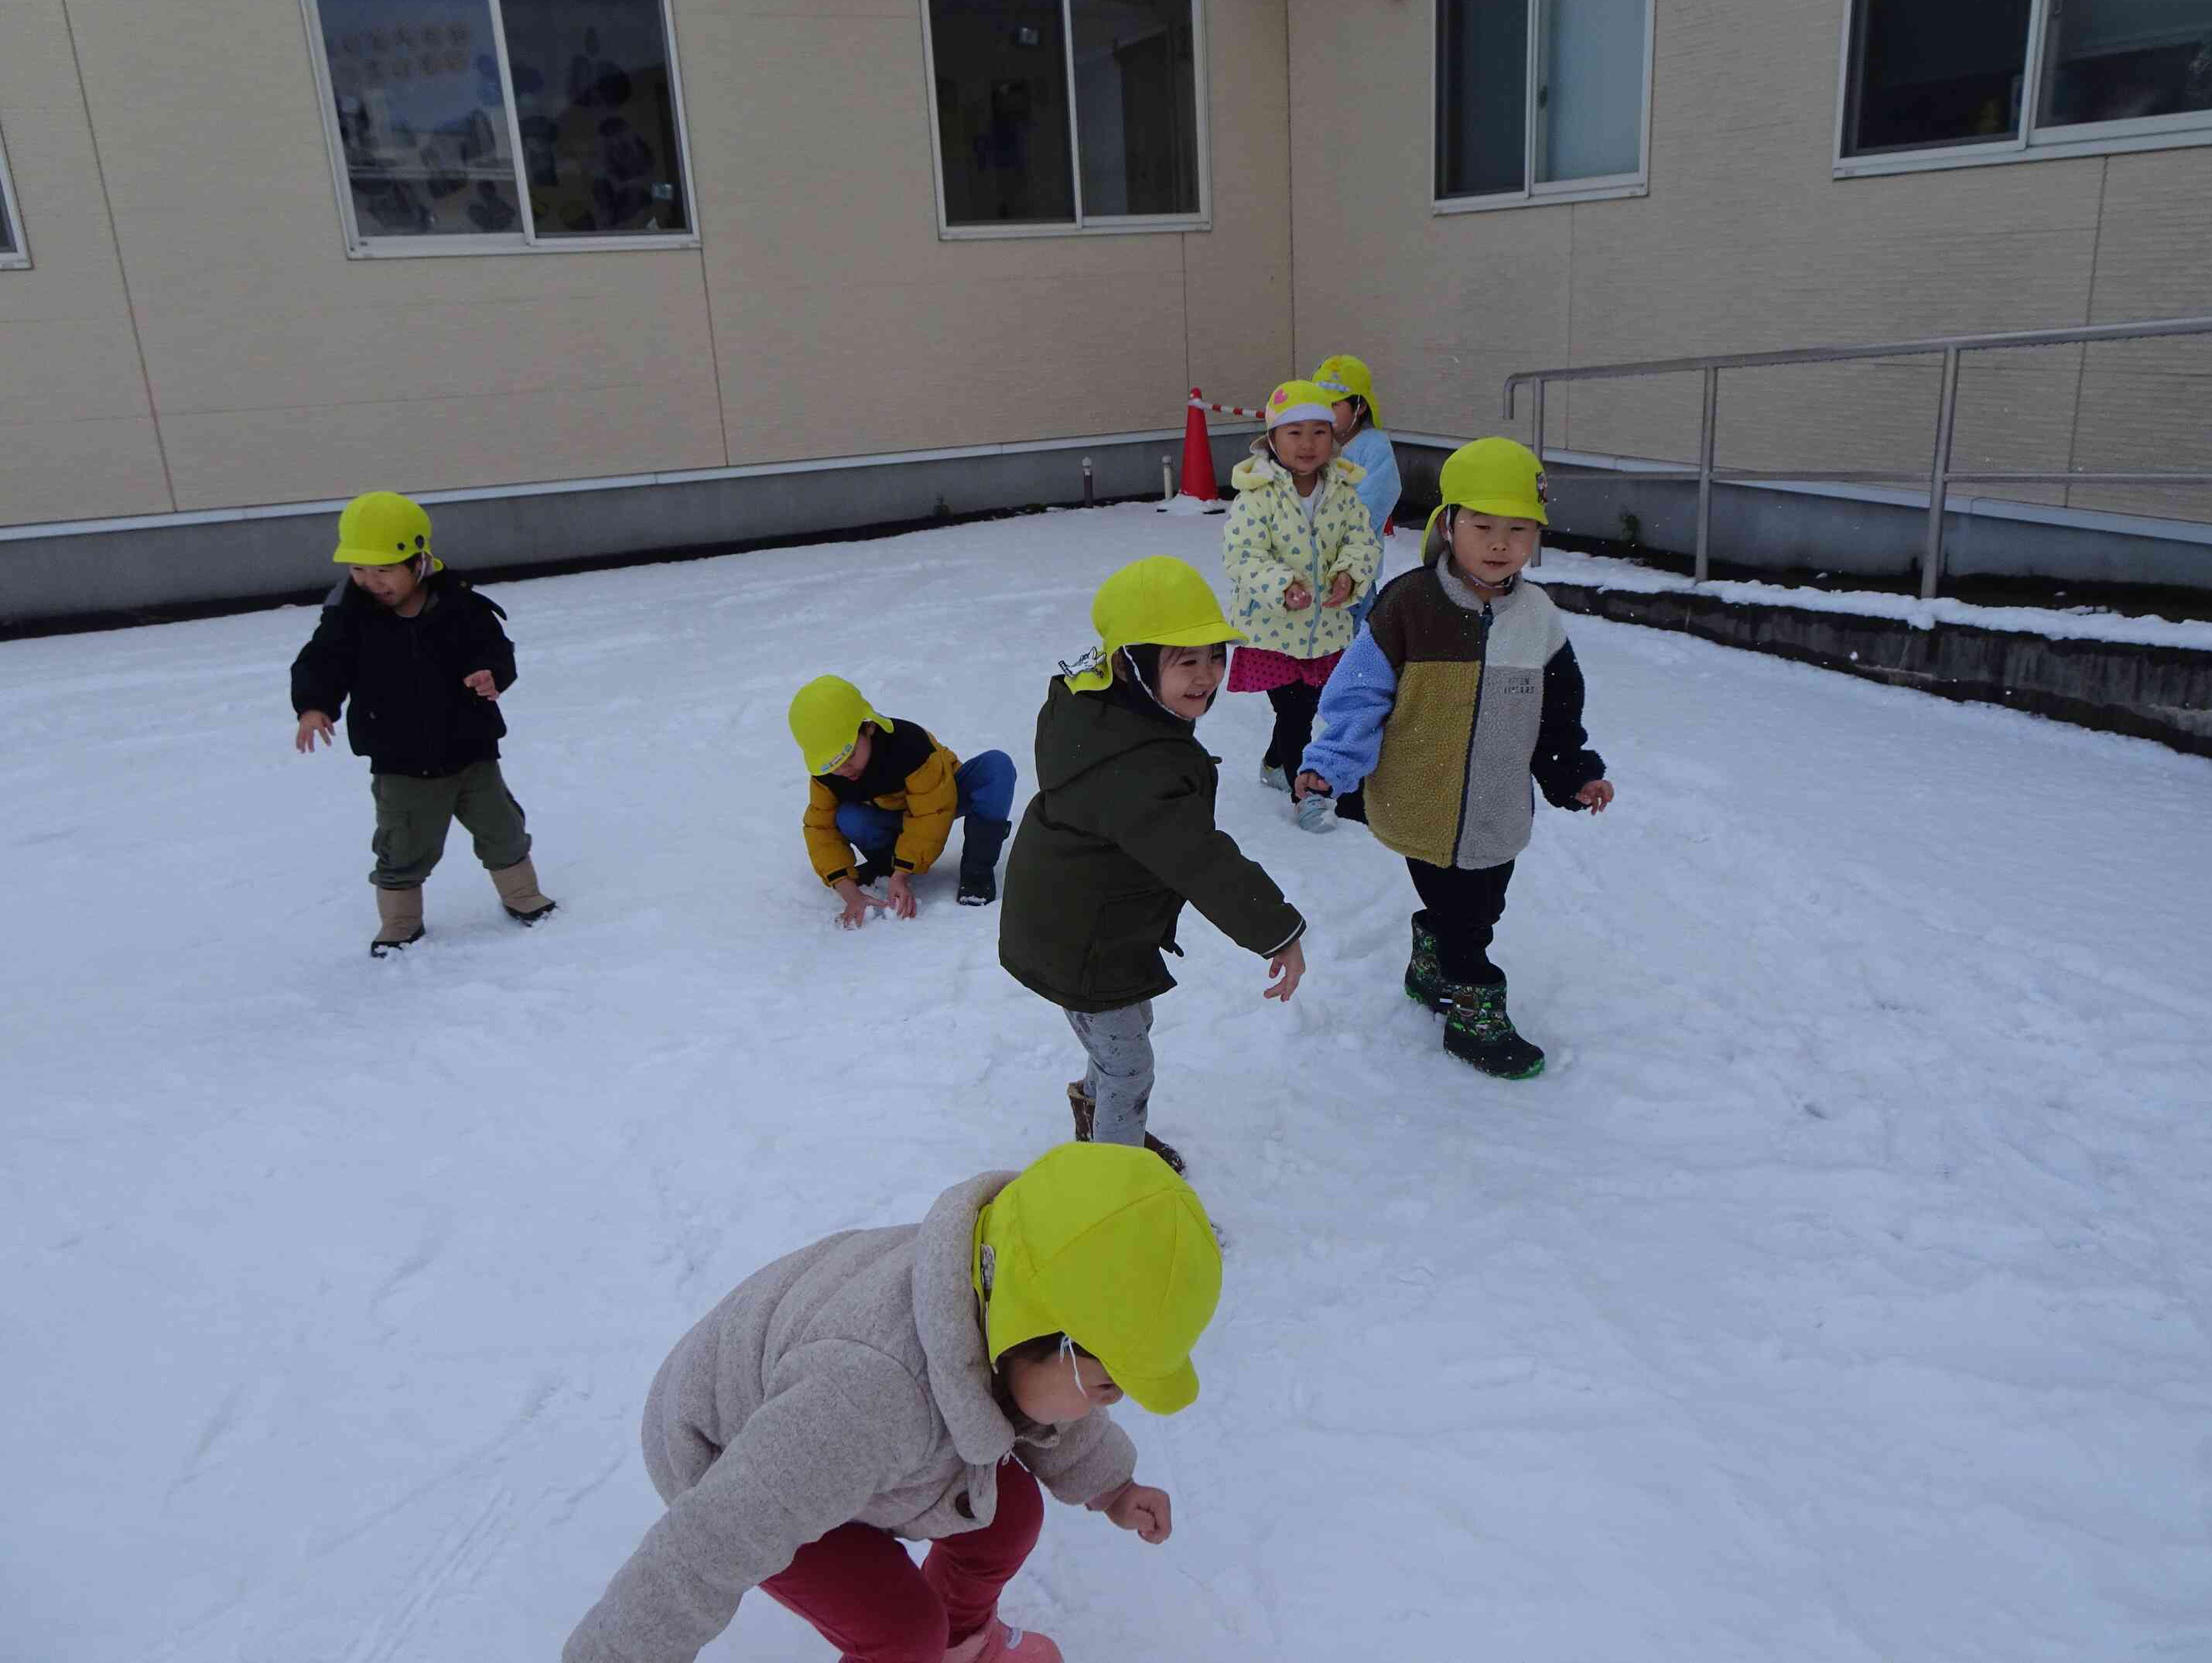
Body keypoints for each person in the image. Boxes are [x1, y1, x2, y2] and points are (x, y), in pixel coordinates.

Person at [562, 1143, 1221, 1663]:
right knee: (902, 1631)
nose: (1111, 1402)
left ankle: (960, 1649)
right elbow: (709, 1546)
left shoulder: (998, 1281)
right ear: (1032, 1332)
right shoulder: (867, 1395)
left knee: (1008, 1512)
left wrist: (1111, 1485)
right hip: (726, 1454)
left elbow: (1040, 1396)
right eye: (1107, 1385)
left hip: (828, 1439)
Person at [1294, 438, 1614, 1080]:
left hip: (1497, 804)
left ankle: (1431, 959)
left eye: (1518, 529)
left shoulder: (1539, 618)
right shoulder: (1409, 604)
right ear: (1448, 525)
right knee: (1471, 920)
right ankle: (1474, 1012)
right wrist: (1330, 764)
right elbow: (1359, 696)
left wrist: (1574, 771)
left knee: (1483, 903)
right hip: (1420, 799)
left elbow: (1559, 714)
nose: (1501, 543)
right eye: (1483, 525)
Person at [999, 556, 1307, 1172]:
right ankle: (1116, 1182)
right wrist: (1277, 928)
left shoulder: (1102, 713)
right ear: (1130, 665)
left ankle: (1098, 1119)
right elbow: (1199, 859)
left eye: (1215, 656)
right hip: (1084, 939)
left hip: (1079, 921)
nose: (1207, 676)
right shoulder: (1140, 768)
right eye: (1184, 661)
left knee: (1120, 1038)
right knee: (1129, 1065)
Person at [290, 490, 556, 956]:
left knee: (503, 828)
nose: (370, 582)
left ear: (419, 561)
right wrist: (315, 705)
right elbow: (322, 663)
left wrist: (491, 674)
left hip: (471, 751)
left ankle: (522, 895)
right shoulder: (348, 618)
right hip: (401, 762)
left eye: (383, 570)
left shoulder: (461, 606)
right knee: (403, 846)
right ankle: (400, 922)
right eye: (358, 569)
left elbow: (495, 649)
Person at [1219, 380, 1381, 833]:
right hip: (1271, 630)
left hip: (1327, 627)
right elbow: (1243, 556)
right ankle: (1305, 794)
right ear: (1272, 439)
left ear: (1335, 436)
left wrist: (1348, 574)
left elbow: (1362, 541)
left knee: (1305, 709)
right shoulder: (1257, 495)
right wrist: (1282, 585)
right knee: (1295, 713)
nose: (1308, 444)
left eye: (1319, 431)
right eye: (1295, 432)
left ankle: (1275, 763)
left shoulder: (1344, 492)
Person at [788, 676, 1016, 920]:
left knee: (996, 767)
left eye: (850, 755)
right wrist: (849, 892)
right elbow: (820, 828)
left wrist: (903, 874)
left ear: (869, 727)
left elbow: (932, 811)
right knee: (848, 817)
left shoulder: (909, 745)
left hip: (943, 795)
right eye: (831, 764)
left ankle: (977, 869)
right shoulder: (828, 777)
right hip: (891, 815)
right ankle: (886, 864)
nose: (843, 769)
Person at [1311, 353, 1402, 635]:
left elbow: (1375, 501)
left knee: (1352, 646)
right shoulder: (1316, 445)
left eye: (1334, 405)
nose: (1325, 412)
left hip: (1355, 575)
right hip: (1314, 574)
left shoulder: (1374, 448)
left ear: (1360, 406)